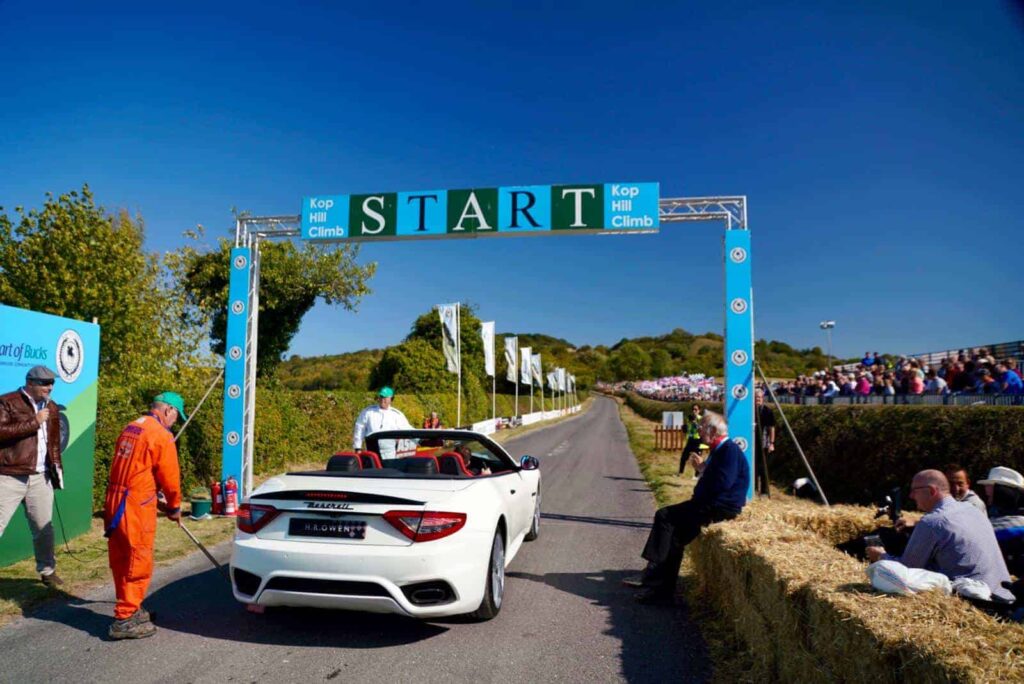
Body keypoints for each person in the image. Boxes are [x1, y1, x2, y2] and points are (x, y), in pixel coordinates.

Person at [624, 411, 749, 604]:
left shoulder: (729, 451)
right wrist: (703, 470)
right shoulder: (720, 450)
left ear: (713, 430)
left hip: (717, 507)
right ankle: (660, 591)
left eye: (702, 427)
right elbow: (720, 478)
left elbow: (723, 483)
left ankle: (652, 573)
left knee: (664, 516)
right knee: (674, 539)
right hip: (710, 504)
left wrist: (702, 483)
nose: (699, 431)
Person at [104, 391, 185, 639]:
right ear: (168, 410)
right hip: (136, 504)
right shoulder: (161, 435)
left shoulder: (132, 426)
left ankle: (130, 605)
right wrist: (174, 506)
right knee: (137, 559)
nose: (175, 422)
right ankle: (125, 618)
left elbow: (136, 466)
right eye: (176, 417)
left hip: (116, 498)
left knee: (121, 558)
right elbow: (170, 478)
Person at [866, 470, 1013, 603]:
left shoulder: (932, 522)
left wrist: (881, 556)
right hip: (1006, 595)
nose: (911, 496)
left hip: (980, 601)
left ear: (931, 491)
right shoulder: (972, 510)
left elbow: (907, 571)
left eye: (914, 491)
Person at [0, 366, 64, 587]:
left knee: (44, 528)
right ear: (31, 383)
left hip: (40, 477)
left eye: (52, 383)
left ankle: (48, 571)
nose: (50, 387)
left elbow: (53, 443)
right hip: (9, 475)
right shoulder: (7, 402)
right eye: (46, 383)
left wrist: (56, 469)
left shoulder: (52, 408)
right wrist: (33, 422)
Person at [977, 467, 1024, 577]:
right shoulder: (995, 518)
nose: (986, 488)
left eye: (991, 485)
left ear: (1003, 492)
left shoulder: (1014, 525)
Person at [352, 386, 412, 459]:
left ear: (391, 399)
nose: (382, 399)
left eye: (385, 397)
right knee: (373, 469)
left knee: (388, 469)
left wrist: (421, 439)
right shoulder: (368, 412)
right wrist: (357, 447)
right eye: (381, 396)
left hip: (389, 453)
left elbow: (408, 430)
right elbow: (359, 428)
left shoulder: (397, 415)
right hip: (372, 450)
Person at [754, 390, 775, 496]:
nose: (757, 399)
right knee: (753, 466)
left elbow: (772, 428)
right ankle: (753, 489)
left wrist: (772, 443)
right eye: (756, 397)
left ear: (763, 398)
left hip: (764, 442)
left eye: (759, 397)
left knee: (763, 467)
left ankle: (764, 491)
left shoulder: (767, 411)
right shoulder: (750, 411)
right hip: (752, 443)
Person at [677, 403, 703, 474]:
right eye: (693, 409)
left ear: (699, 410)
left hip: (698, 440)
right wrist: (684, 428)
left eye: (696, 409)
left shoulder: (701, 418)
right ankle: (680, 472)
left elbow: (701, 429)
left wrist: (695, 423)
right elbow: (687, 428)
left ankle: (697, 475)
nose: (694, 411)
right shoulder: (689, 418)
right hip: (690, 440)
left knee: (697, 459)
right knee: (683, 457)